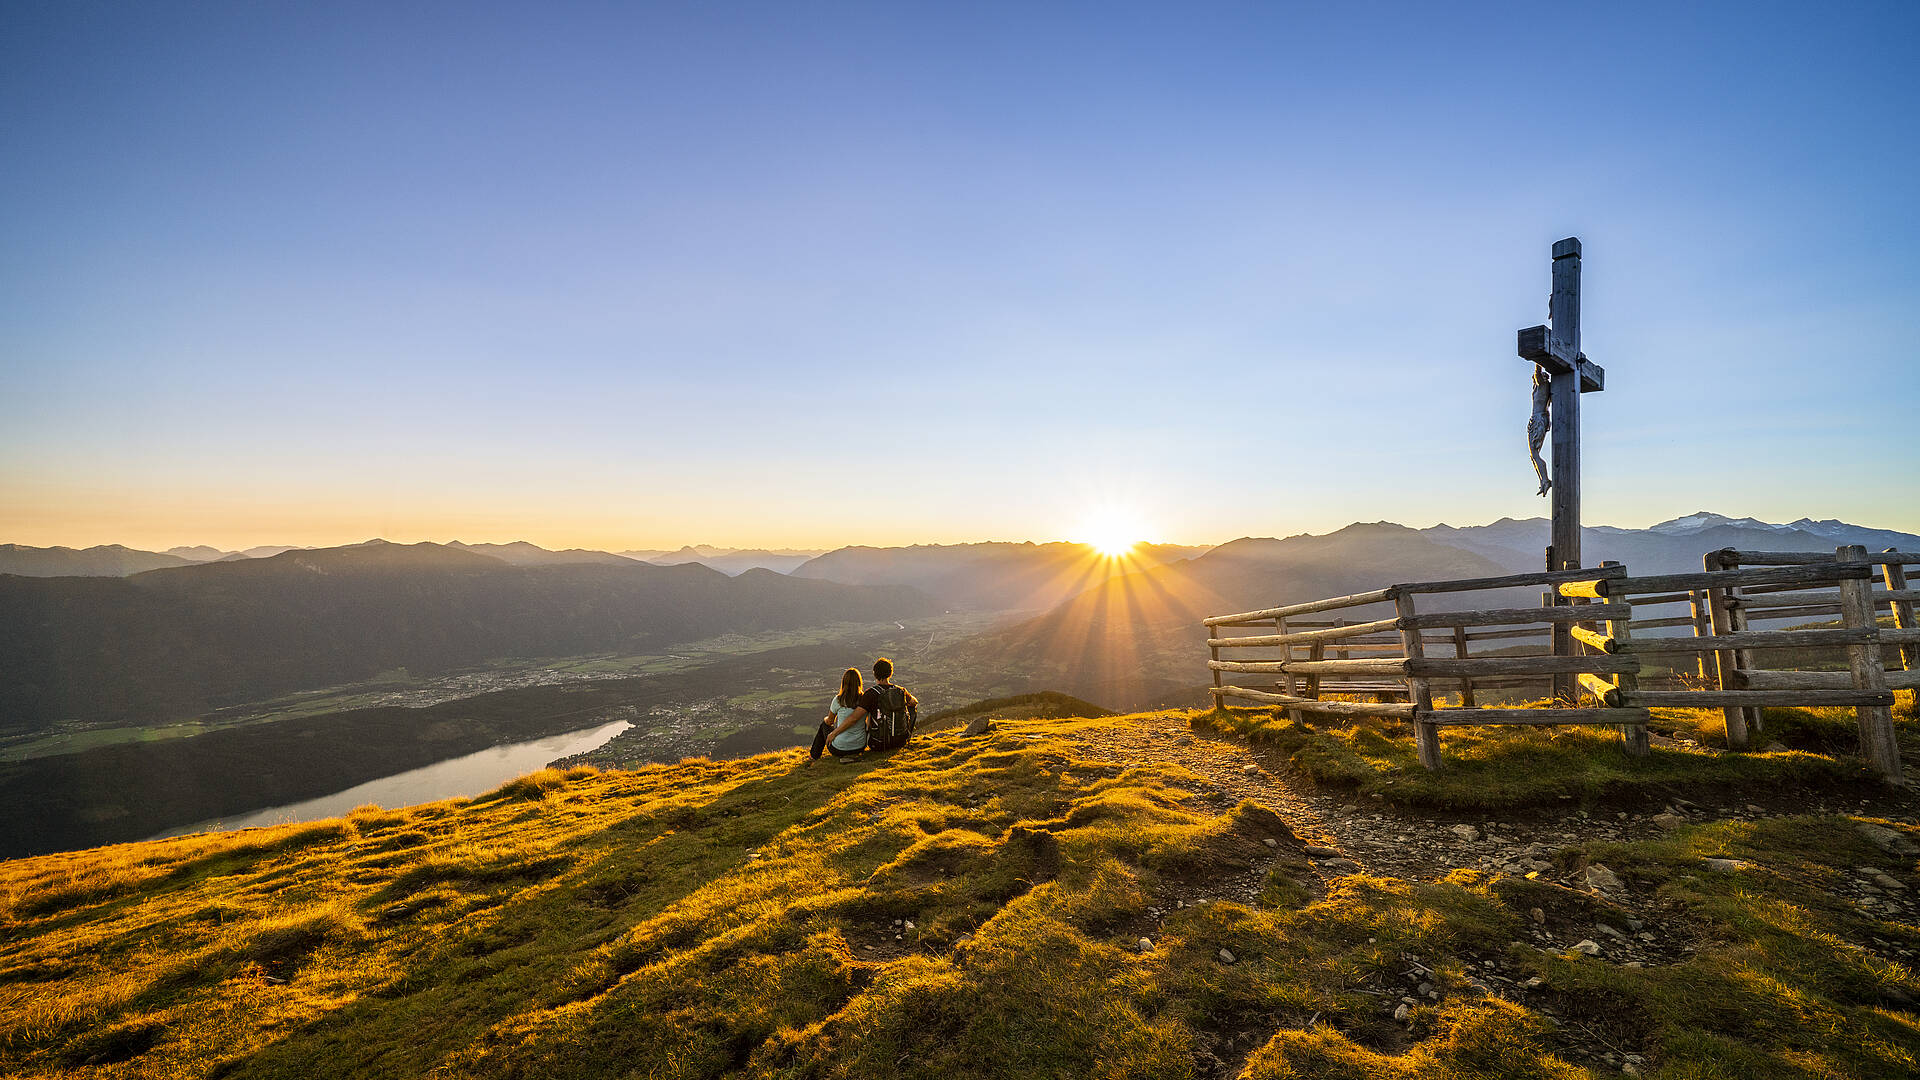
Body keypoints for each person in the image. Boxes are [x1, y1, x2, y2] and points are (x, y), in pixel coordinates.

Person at [809, 668, 869, 764]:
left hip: (839, 749)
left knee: (824, 725)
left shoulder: (838, 700)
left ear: (844, 683)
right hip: (860, 746)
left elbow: (829, 722)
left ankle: (813, 756)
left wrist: (825, 720)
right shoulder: (864, 700)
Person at [860, 657, 918, 749]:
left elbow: (858, 715)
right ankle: (906, 735)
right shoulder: (901, 690)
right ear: (890, 673)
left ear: (875, 674)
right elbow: (914, 702)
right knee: (912, 708)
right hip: (900, 742)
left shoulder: (870, 693)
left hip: (878, 744)